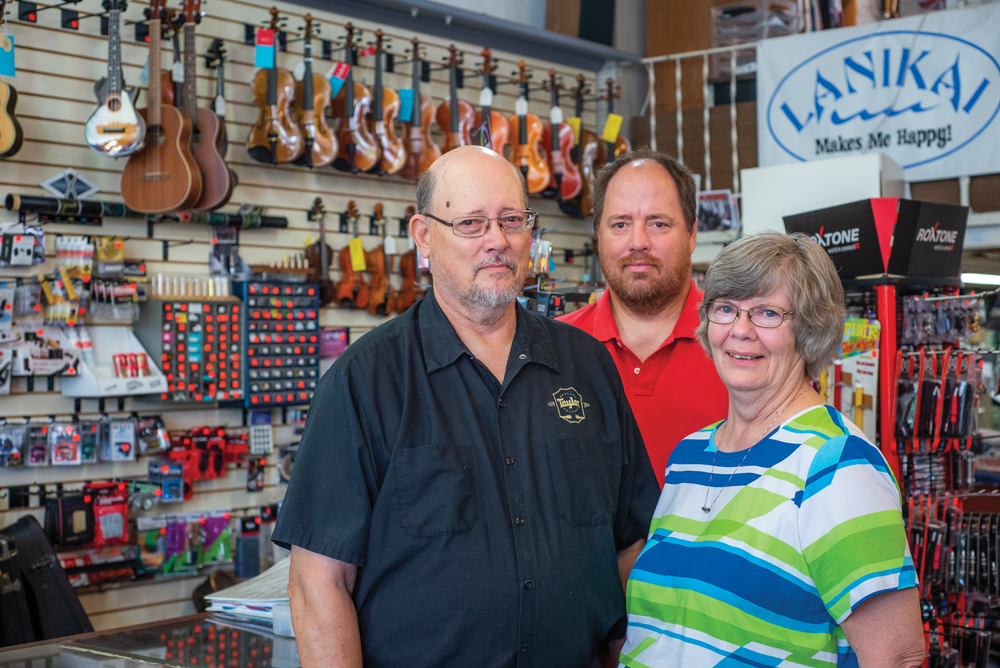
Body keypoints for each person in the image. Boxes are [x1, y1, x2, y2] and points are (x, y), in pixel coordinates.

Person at [271, 146, 660, 668]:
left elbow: (630, 547)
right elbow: (319, 583)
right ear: (424, 237)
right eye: (472, 223)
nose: (496, 241)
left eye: (511, 220)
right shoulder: (364, 381)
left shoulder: (587, 367)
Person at [619, 232, 924, 668]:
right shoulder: (689, 456)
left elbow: (898, 658)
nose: (741, 330)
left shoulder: (837, 466)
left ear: (810, 329)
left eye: (767, 313)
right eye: (726, 309)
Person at [559, 149, 727, 485]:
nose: (639, 242)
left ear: (692, 234)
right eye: (620, 224)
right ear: (598, 237)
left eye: (657, 223)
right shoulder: (554, 348)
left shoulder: (741, 344)